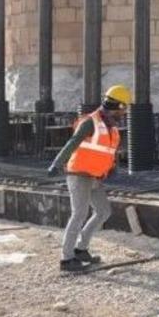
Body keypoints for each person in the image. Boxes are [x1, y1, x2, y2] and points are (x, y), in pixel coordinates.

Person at [48, 85, 131, 272]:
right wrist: (56, 163)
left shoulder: (112, 128)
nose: (124, 112)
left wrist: (111, 168)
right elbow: (73, 142)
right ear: (117, 105)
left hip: (95, 177)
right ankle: (66, 259)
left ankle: (81, 248)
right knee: (79, 214)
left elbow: (106, 152)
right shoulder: (90, 122)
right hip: (79, 175)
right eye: (124, 108)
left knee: (103, 211)